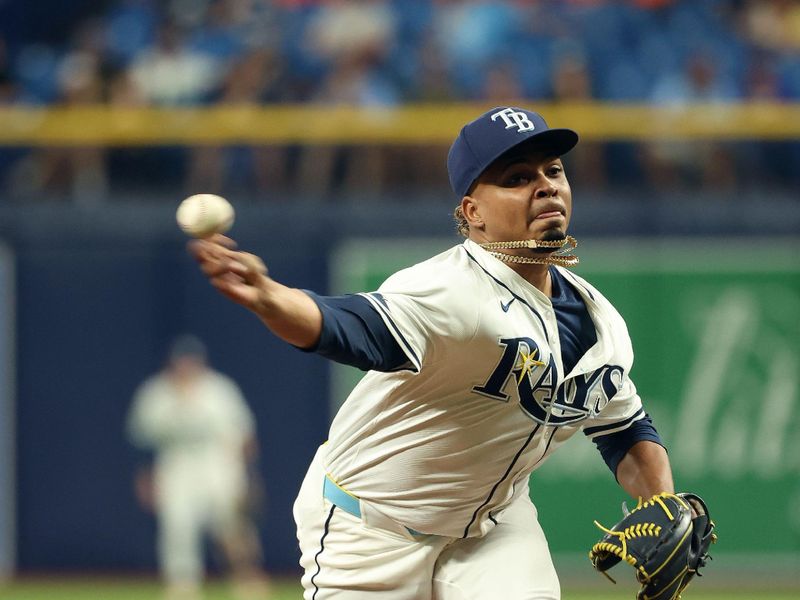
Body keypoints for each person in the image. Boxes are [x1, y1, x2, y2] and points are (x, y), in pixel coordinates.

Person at [189, 106, 675, 599]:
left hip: (493, 529)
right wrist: (270, 296)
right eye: (517, 177)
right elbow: (349, 326)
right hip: (371, 528)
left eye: (553, 171)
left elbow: (624, 428)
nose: (546, 185)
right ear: (472, 214)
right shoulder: (449, 291)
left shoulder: (599, 321)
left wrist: (663, 505)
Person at [126, 334, 270, 600]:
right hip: (176, 467)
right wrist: (145, 478)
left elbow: (245, 436)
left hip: (219, 465)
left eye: (191, 361)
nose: (186, 366)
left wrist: (250, 476)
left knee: (232, 526)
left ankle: (247, 580)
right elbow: (142, 442)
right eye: (182, 361)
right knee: (177, 527)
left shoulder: (219, 389)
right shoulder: (157, 392)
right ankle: (183, 587)